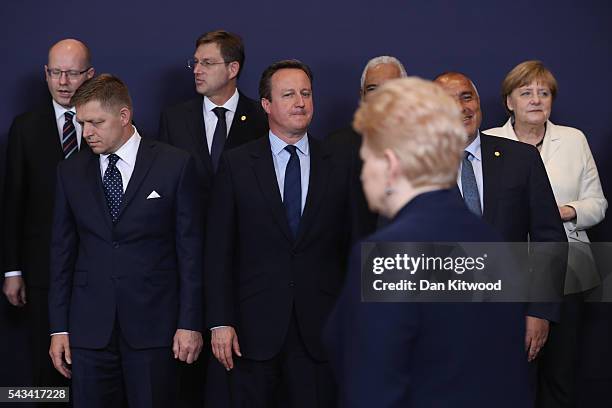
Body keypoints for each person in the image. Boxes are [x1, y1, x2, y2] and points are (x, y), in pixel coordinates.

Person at [325, 77, 531, 407]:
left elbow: (371, 386)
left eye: (367, 160)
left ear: (391, 164)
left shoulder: (387, 257)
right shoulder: (491, 242)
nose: (363, 175)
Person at [47, 74, 204, 408]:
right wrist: (58, 328)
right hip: (89, 332)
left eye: (95, 122)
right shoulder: (69, 172)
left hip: (154, 328)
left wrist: (189, 323)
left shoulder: (174, 165)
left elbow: (190, 252)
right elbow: (62, 254)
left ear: (123, 116)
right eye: (82, 123)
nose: (86, 132)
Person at [205, 60, 353, 407]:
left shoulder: (339, 163)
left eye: (306, 93)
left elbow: (352, 246)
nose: (300, 102)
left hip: (319, 330)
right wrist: (220, 321)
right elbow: (218, 251)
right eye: (288, 95)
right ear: (267, 105)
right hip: (251, 330)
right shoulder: (236, 164)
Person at [485, 60, 607, 408]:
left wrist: (560, 213)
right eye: (526, 93)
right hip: (505, 277)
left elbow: (597, 204)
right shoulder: (489, 140)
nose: (536, 100)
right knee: (510, 373)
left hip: (567, 270)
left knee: (560, 373)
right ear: (509, 101)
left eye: (544, 93)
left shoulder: (573, 140)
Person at [158, 29, 268, 408]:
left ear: (233, 68)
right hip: (185, 264)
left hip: (244, 268)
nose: (197, 70)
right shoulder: (174, 118)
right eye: (195, 62)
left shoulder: (261, 117)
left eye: (207, 63)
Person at [434, 72, 567, 363]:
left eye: (467, 97)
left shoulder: (523, 158)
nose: (461, 108)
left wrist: (540, 310)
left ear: (479, 103)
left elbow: (550, 239)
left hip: (513, 321)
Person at [2, 38, 94, 400]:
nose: (63, 81)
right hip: (41, 270)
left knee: (90, 363)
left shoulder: (109, 124)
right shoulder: (25, 128)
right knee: (46, 367)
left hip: (95, 268)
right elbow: (13, 203)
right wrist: (12, 270)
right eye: (55, 72)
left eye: (72, 73)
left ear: (89, 74)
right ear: (45, 73)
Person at [327, 55, 408, 237]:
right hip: (355, 258)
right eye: (373, 89)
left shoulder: (426, 144)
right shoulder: (335, 148)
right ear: (362, 96)